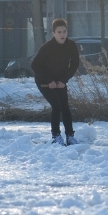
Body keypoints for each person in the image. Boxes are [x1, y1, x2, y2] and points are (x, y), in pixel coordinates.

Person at [31, 18, 80, 146]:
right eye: (59, 32)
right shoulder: (47, 47)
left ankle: (70, 136)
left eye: (64, 31)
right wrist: (50, 80)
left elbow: (74, 65)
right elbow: (35, 65)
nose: (62, 34)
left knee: (65, 106)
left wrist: (63, 80)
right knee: (57, 105)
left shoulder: (71, 46)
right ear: (53, 33)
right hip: (44, 81)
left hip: (60, 81)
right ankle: (56, 136)